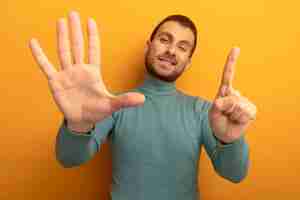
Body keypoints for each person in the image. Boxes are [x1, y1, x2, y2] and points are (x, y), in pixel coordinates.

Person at [29, 11, 257, 200]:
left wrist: (230, 140)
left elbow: (235, 174)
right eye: (165, 39)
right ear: (149, 46)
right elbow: (69, 158)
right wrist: (77, 125)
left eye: (183, 47)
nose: (171, 51)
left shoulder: (204, 112)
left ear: (188, 63)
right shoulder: (111, 105)